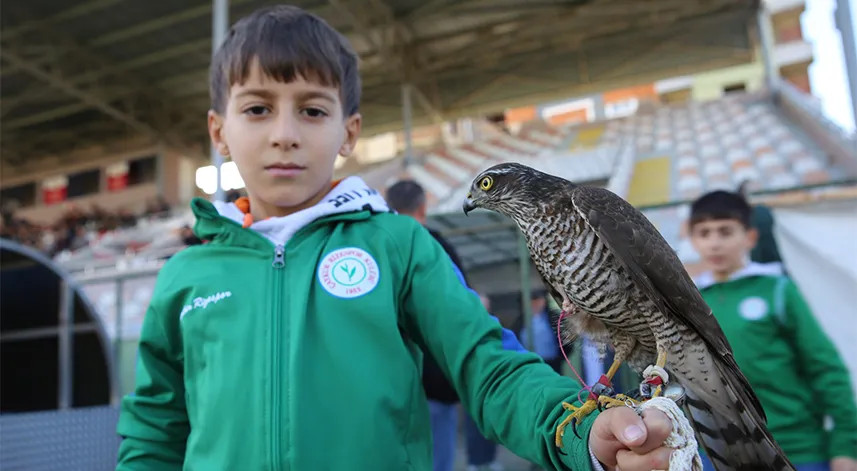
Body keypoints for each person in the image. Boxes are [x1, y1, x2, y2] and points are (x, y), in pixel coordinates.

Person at [115, 6, 677, 471]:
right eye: (258, 108)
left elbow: (488, 367)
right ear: (219, 130)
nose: (284, 135)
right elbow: (154, 434)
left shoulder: (400, 245)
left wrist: (577, 431)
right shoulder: (184, 276)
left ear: (348, 133)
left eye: (312, 110)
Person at [688, 189, 857, 471]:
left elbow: (825, 368)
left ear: (750, 237)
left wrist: (846, 446)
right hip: (721, 453)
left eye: (725, 231)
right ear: (693, 240)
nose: (714, 243)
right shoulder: (690, 301)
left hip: (796, 449)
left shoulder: (778, 290)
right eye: (704, 233)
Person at [386, 178, 520, 471]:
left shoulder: (375, 250)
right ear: (423, 207)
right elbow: (461, 310)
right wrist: (478, 307)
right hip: (434, 383)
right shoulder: (433, 246)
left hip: (390, 388)